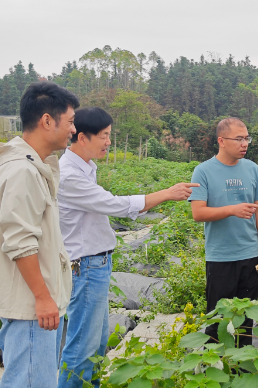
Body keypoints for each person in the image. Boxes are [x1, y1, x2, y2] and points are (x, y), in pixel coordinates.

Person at [56, 107, 199, 388]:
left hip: (94, 266)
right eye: (105, 136)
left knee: (95, 345)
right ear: (82, 137)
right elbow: (115, 205)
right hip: (84, 268)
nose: (109, 141)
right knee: (82, 348)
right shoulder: (69, 175)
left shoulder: (85, 168)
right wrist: (166, 194)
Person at [0, 82, 79, 388]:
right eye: (69, 121)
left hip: (36, 305)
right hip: (32, 308)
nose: (73, 129)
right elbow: (19, 242)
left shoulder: (33, 165)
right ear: (46, 121)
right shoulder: (21, 171)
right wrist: (42, 298)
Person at [189, 117, 258, 346]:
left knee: (246, 320)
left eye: (247, 138)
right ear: (222, 141)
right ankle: (214, 370)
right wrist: (231, 210)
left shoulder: (252, 169)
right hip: (221, 257)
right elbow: (198, 213)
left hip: (250, 255)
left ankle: (242, 369)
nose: (245, 143)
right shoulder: (203, 171)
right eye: (239, 139)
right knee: (217, 321)